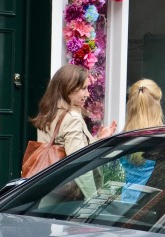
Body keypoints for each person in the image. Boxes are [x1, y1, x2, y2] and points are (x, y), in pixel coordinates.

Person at [30, 64, 116, 199]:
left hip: (47, 191)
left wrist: (98, 139)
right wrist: (93, 199)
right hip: (68, 198)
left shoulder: (50, 112)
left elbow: (67, 147)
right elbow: (79, 163)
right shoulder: (72, 118)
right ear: (69, 88)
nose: (87, 94)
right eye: (84, 88)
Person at [119, 78, 165, 202]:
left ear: (130, 106)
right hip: (150, 208)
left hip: (123, 206)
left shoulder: (119, 142)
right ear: (157, 106)